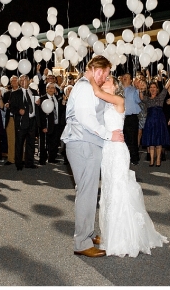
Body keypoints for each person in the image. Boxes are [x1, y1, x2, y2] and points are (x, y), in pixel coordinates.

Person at [89, 74, 169, 257]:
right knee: (109, 189)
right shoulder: (105, 104)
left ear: (115, 86)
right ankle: (111, 233)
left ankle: (124, 238)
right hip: (108, 150)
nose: (105, 81)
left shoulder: (118, 100)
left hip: (117, 151)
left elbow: (95, 90)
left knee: (119, 190)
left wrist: (90, 75)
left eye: (108, 80)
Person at [60, 55, 124, 258]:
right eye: (105, 74)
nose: (105, 79)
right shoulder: (85, 87)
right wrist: (108, 135)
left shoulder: (88, 87)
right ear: (98, 69)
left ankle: (87, 233)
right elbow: (85, 118)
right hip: (83, 143)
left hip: (87, 144)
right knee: (87, 193)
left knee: (87, 192)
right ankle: (82, 242)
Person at [9, 74, 40, 170]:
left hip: (32, 121)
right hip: (21, 121)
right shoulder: (15, 93)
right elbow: (11, 107)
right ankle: (19, 164)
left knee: (31, 143)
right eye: (21, 80)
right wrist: (18, 111)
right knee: (19, 143)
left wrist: (39, 104)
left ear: (28, 81)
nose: (23, 82)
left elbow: (37, 106)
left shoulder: (34, 92)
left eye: (24, 80)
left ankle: (29, 163)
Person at [140, 80, 170, 167]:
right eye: (151, 87)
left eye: (154, 87)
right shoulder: (147, 99)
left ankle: (158, 159)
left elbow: (165, 88)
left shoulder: (160, 97)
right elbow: (141, 97)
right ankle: (151, 160)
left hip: (159, 121)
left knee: (159, 142)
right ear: (149, 89)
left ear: (157, 89)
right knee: (151, 142)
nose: (153, 89)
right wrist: (140, 89)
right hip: (150, 122)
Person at [38, 82, 64, 164]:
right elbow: (40, 115)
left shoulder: (58, 98)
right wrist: (43, 126)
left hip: (56, 124)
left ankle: (52, 158)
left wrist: (63, 103)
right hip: (46, 124)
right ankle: (42, 159)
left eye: (52, 88)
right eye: (49, 88)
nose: (51, 89)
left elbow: (60, 110)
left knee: (54, 142)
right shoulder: (42, 99)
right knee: (44, 143)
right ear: (46, 89)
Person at [120, 73, 141, 165]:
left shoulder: (134, 90)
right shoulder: (118, 90)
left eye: (127, 77)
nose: (124, 78)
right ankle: (122, 158)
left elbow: (138, 100)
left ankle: (134, 159)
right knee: (121, 140)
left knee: (132, 139)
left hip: (131, 118)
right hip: (120, 118)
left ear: (131, 80)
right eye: (123, 76)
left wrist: (138, 90)